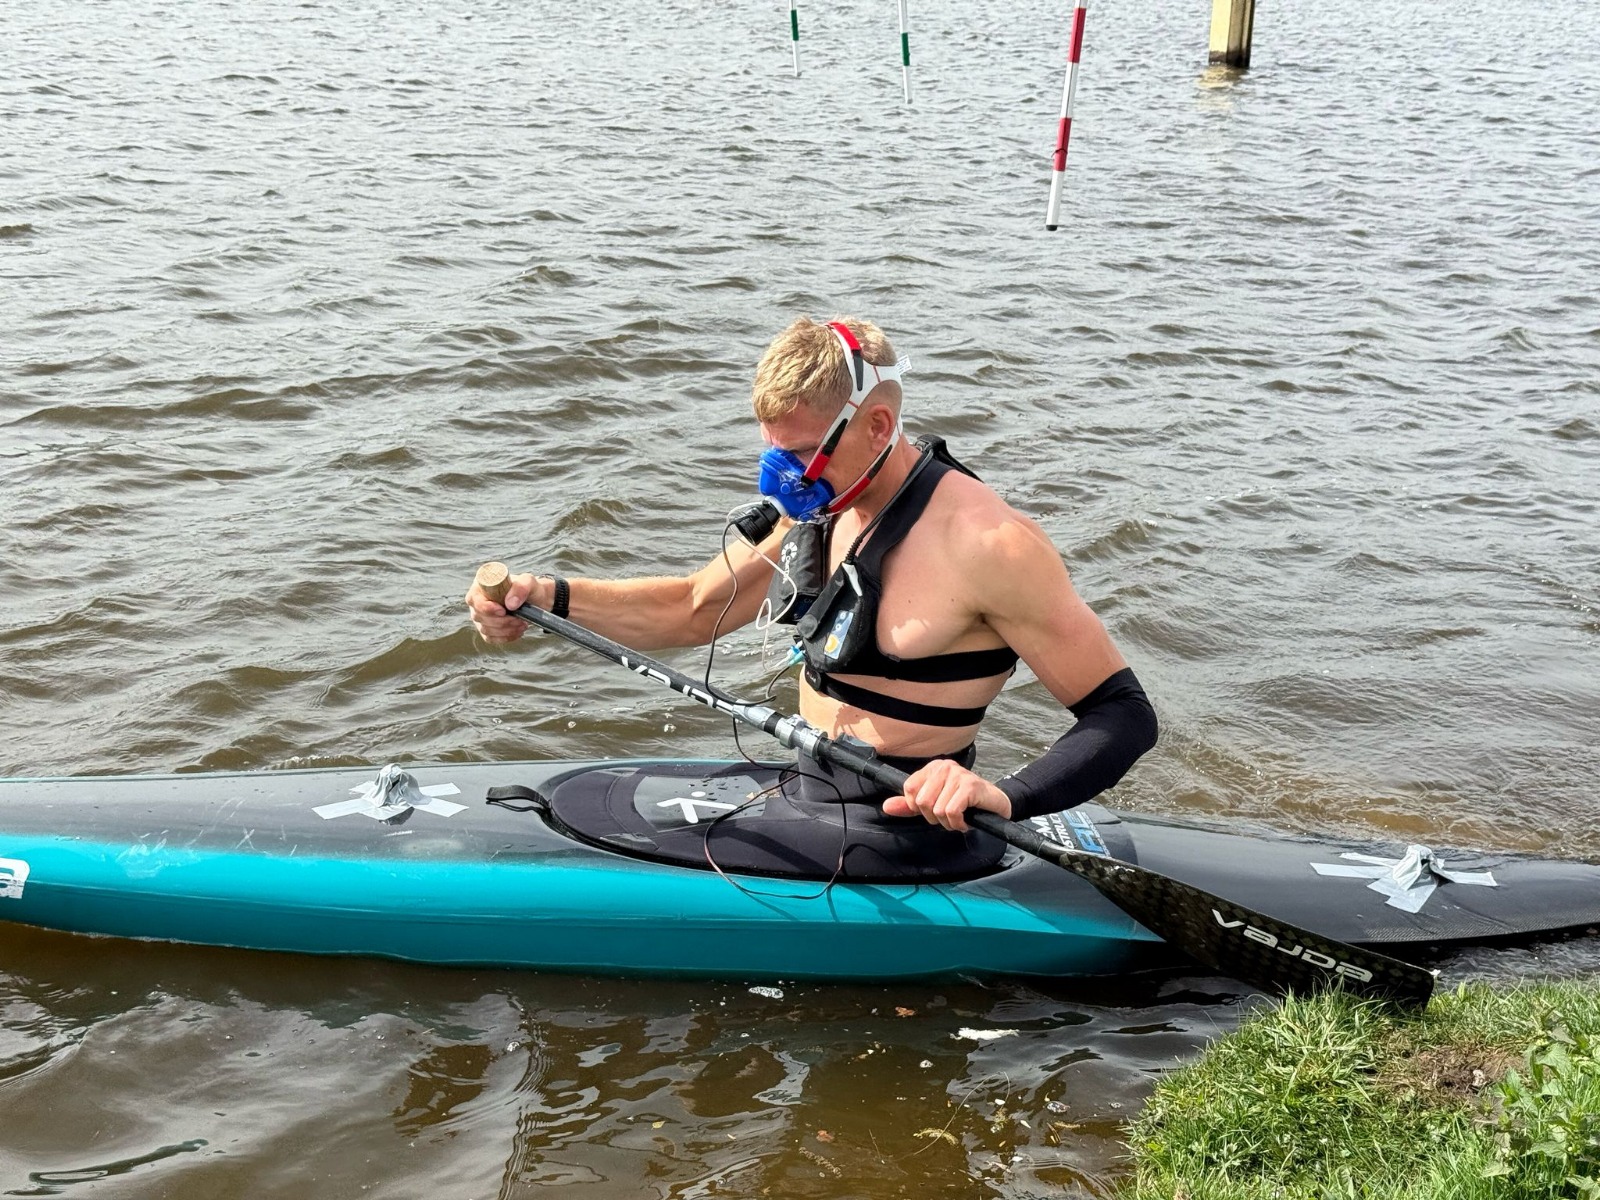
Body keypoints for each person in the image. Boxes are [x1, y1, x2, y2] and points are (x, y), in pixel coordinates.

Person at [466, 316, 1157, 878]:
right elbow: (693, 607)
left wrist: (1002, 796)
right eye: (773, 451)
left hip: (903, 832)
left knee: (591, 842)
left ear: (877, 426)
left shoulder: (989, 544)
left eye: (798, 454)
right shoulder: (823, 505)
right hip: (808, 789)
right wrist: (545, 597)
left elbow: (1123, 715)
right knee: (582, 805)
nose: (783, 478)